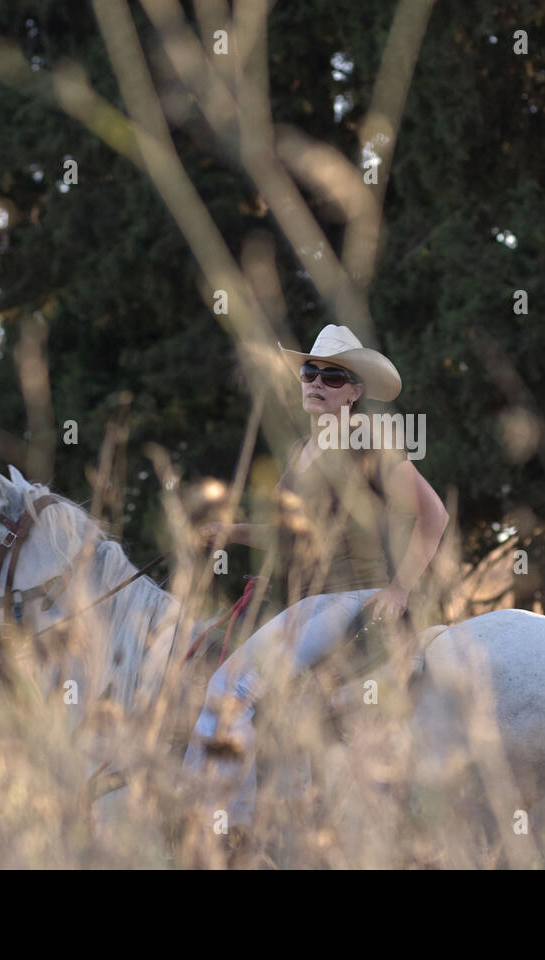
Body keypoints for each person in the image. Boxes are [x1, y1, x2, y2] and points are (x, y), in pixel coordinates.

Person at [181, 324, 449, 829]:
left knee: (230, 690)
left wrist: (400, 589)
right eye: (310, 372)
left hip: (351, 597)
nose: (316, 383)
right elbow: (289, 537)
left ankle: (223, 826)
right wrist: (231, 532)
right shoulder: (299, 454)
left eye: (332, 375)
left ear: (354, 392)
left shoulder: (368, 444)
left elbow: (434, 515)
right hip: (307, 603)